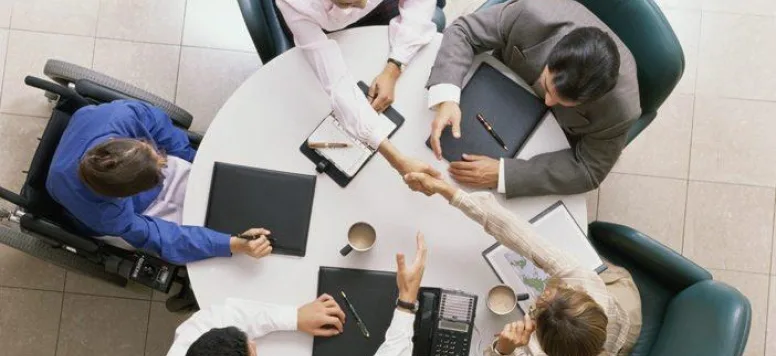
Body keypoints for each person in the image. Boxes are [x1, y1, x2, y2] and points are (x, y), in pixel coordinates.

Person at [404, 172, 642, 355]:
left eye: (539, 304)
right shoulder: (586, 283)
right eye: (559, 291)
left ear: (538, 337)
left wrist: (502, 349)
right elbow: (521, 235)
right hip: (623, 310)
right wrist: (449, 191)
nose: (545, 291)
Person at [426, 0, 641, 198]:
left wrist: (503, 175)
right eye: (547, 86)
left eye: (561, 101)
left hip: (550, 140)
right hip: (497, 92)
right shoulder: (529, 13)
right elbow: (463, 31)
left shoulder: (621, 110)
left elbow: (589, 170)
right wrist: (447, 96)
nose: (547, 101)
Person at [47, 100, 273, 264]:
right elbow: (160, 236)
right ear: (123, 197)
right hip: (139, 212)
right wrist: (231, 244)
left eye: (156, 154)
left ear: (128, 142)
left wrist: (200, 164)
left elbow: (162, 129)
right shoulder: (106, 214)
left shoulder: (124, 115)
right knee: (200, 246)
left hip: (112, 165)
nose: (164, 161)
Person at [167, 232, 428, 356]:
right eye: (252, 351)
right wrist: (406, 303)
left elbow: (224, 316)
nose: (255, 345)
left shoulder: (187, 346)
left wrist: (294, 317)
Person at [277, 0, 441, 180]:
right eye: (350, 3)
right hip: (320, 29)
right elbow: (336, 81)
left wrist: (395, 65)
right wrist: (397, 160)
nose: (362, 5)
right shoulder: (294, 4)